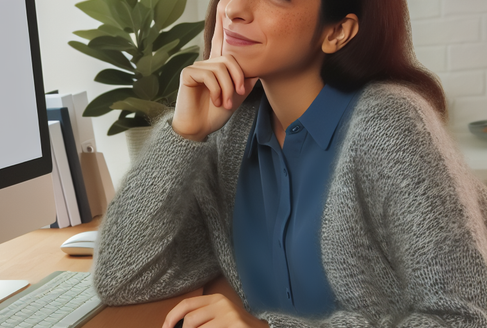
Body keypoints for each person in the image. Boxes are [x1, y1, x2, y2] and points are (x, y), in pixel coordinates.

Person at [93, 0, 487, 326]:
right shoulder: (231, 133)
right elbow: (123, 277)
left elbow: (464, 316)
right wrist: (184, 133)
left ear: (337, 32)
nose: (234, 9)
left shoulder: (391, 125)